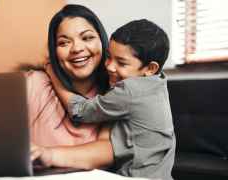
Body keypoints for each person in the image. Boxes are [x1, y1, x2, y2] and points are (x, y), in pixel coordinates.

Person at [42, 19, 176, 180]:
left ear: (150, 68)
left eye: (121, 63)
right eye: (109, 57)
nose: (110, 66)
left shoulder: (130, 90)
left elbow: (80, 111)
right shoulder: (158, 83)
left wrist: (54, 75)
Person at [27, 4, 114, 169]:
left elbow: (108, 150)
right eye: (64, 43)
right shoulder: (33, 83)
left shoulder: (117, 92)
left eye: (87, 38)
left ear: (102, 41)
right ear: (54, 51)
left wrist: (48, 154)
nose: (77, 48)